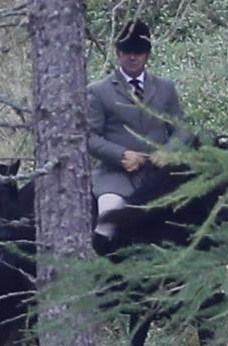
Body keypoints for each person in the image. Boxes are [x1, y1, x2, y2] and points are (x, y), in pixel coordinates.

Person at [86, 19, 193, 253]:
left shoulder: (165, 88)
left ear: (147, 55)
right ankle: (97, 273)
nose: (132, 57)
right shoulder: (99, 91)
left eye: (138, 52)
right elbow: (90, 137)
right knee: (107, 222)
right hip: (116, 176)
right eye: (127, 52)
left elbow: (182, 129)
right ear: (118, 53)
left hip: (159, 175)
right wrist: (121, 155)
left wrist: (168, 151)